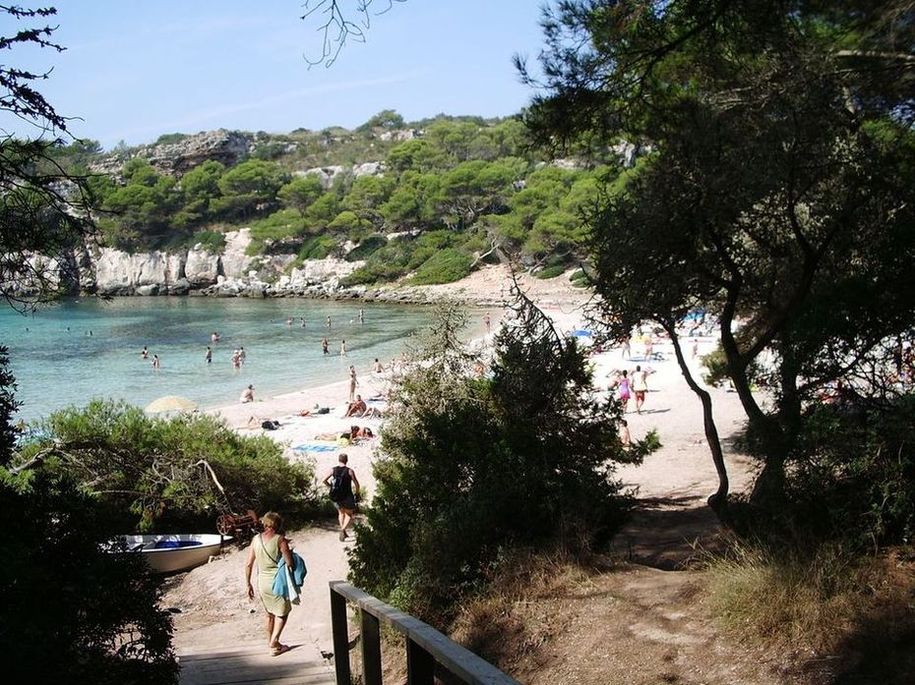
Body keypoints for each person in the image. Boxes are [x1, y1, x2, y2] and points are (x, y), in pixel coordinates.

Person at [244, 512, 296, 656]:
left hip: (262, 582)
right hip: (277, 582)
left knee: (269, 614)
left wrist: (248, 584)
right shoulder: (280, 540)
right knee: (283, 613)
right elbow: (289, 563)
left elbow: (248, 564)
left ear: (265, 523)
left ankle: (273, 644)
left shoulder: (256, 539)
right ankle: (274, 641)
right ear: (278, 524)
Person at [323, 454, 360, 541]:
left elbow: (324, 480)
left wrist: (330, 487)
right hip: (347, 495)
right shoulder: (350, 471)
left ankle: (343, 532)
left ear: (339, 460)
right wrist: (357, 493)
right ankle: (342, 530)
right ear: (346, 460)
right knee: (349, 514)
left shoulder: (333, 470)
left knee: (341, 513)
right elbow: (356, 484)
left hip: (336, 496)